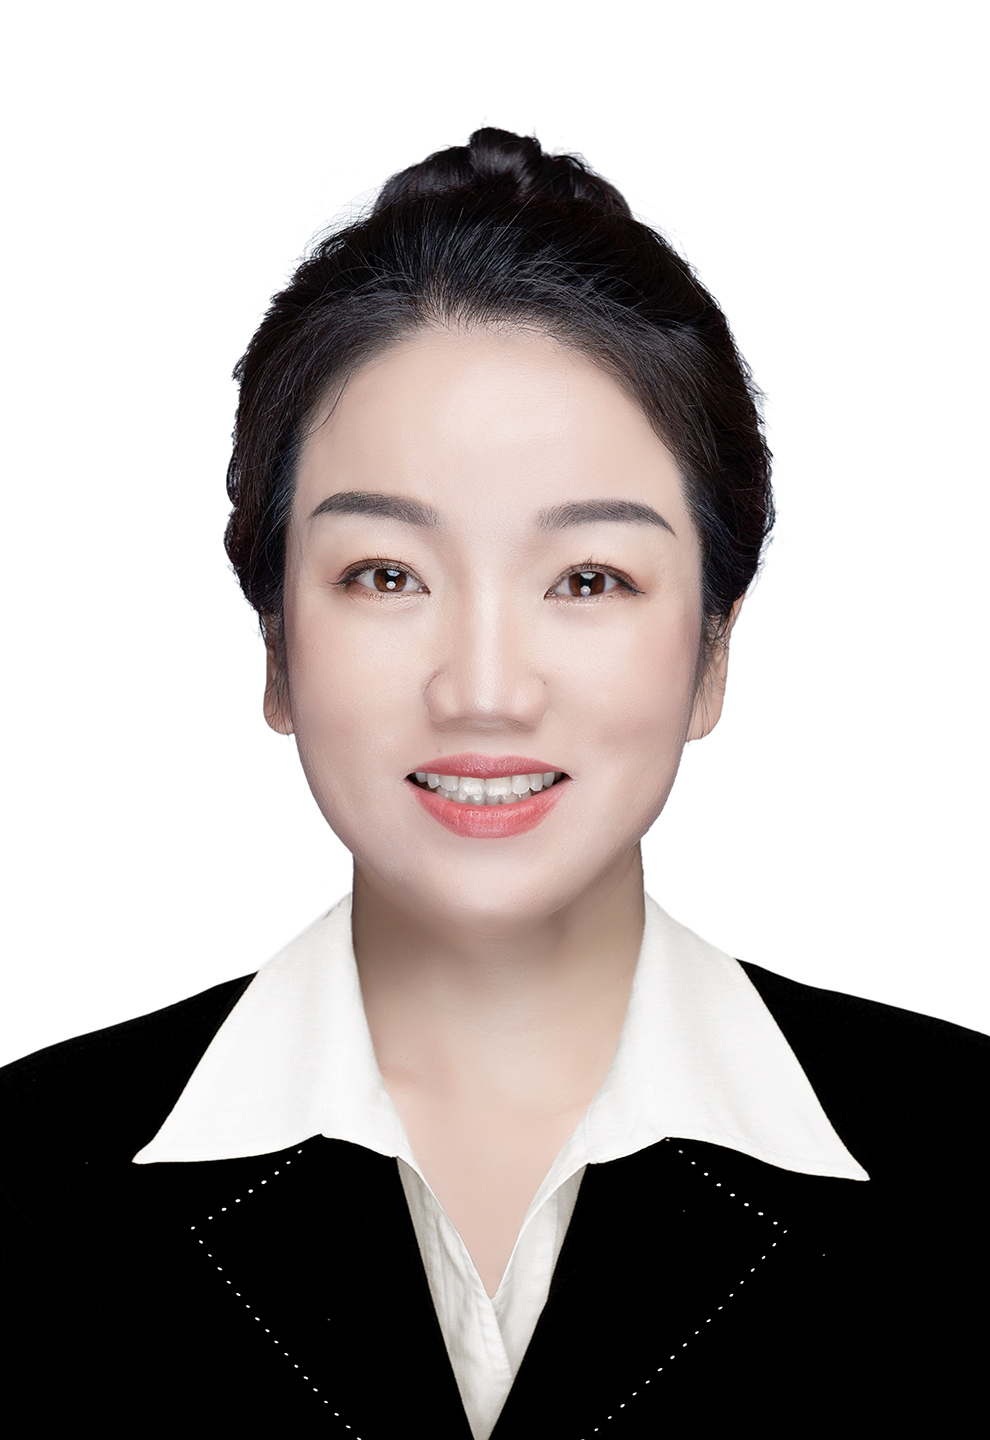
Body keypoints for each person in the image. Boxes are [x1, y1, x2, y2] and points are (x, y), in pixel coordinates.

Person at [2, 129, 986, 1437]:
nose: (482, 688)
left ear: (711, 652)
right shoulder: (27, 1184)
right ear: (276, 647)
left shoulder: (975, 1166)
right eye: (385, 575)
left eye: (587, 579)